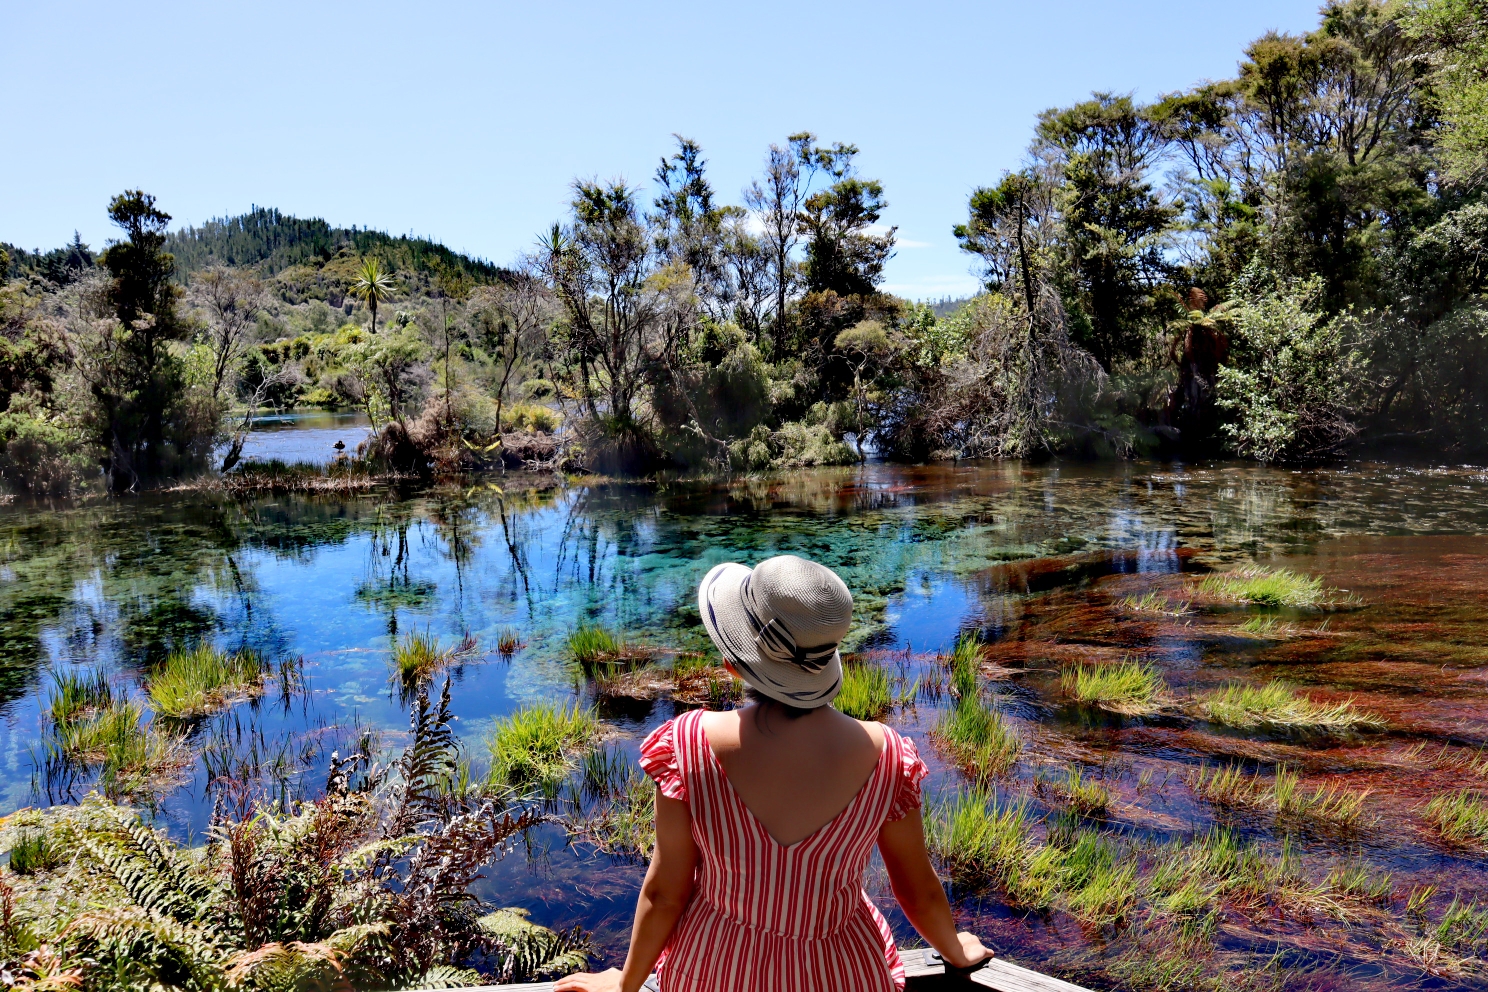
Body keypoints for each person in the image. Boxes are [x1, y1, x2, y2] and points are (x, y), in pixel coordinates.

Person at [556, 555, 993, 992]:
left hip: (714, 972)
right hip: (841, 974)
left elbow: (665, 894)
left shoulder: (687, 746)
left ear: (733, 665)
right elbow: (916, 889)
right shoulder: (890, 757)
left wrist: (626, 984)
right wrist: (954, 949)